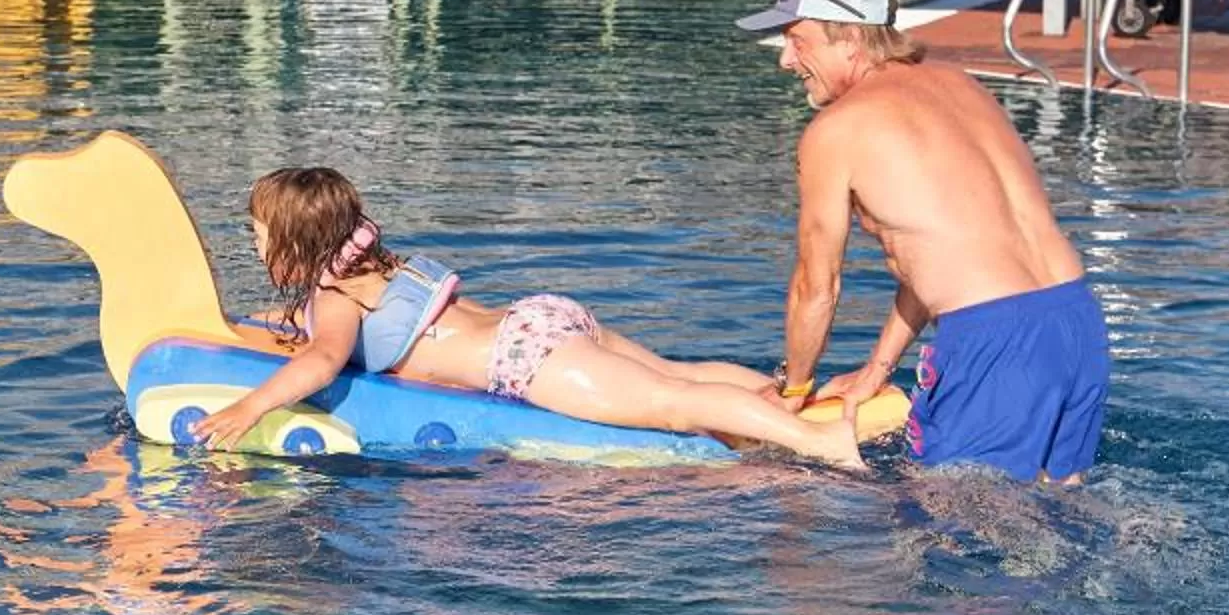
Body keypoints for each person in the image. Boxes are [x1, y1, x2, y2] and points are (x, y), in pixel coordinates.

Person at [190, 167, 865, 468]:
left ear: (295, 245)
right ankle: (790, 399)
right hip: (542, 317)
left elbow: (321, 360)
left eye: (257, 235)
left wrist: (249, 408)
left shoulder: (336, 299)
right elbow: (294, 328)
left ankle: (820, 444)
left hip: (527, 362)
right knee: (676, 373)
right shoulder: (378, 267)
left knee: (673, 404)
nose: (251, 245)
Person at [740, 0, 1107, 483]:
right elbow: (943, 250)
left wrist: (793, 392)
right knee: (1060, 509)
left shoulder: (836, 130)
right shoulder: (961, 86)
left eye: (799, 42)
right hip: (1076, 321)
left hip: (993, 341)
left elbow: (815, 288)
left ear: (848, 36)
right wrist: (878, 367)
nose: (786, 61)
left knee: (945, 533)